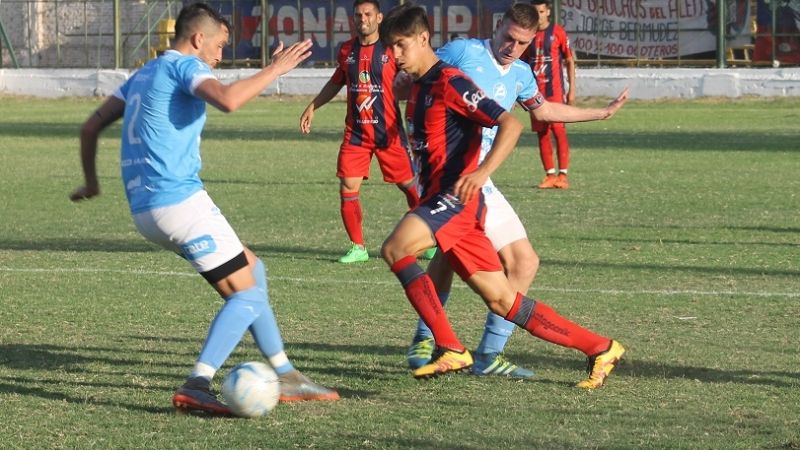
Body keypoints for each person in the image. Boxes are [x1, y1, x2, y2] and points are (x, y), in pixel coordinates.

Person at [70, 3, 339, 415]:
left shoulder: (144, 73)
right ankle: (198, 383)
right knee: (247, 294)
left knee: (253, 271)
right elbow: (227, 100)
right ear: (198, 39)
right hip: (179, 202)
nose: (220, 56)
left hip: (146, 209)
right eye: (220, 45)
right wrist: (275, 70)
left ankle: (286, 373)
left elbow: (91, 126)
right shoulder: (186, 66)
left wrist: (92, 182)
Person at [380, 2, 626, 389]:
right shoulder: (426, 80)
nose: (394, 54)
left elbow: (511, 124)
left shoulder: (450, 82)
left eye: (401, 45)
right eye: (390, 47)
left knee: (396, 248)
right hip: (449, 200)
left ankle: (447, 345)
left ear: (423, 39)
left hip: (457, 196)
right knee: (503, 301)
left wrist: (480, 173)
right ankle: (601, 347)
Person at [300, 0, 434, 264]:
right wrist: (313, 106)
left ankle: (429, 239)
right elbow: (336, 82)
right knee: (348, 188)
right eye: (358, 15)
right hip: (356, 135)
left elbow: (415, 78)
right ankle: (358, 247)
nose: (363, 19)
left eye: (368, 14)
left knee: (410, 187)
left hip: (389, 135)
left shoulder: (391, 49)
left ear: (379, 17)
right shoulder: (346, 50)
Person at [526, 0, 576, 189]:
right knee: (542, 133)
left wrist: (572, 89)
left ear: (548, 12)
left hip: (554, 92)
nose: (538, 15)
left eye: (541, 11)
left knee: (558, 130)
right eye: (535, 12)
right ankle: (549, 175)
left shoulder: (558, 32)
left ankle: (563, 175)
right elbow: (521, 64)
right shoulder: (528, 35)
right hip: (535, 93)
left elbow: (569, 61)